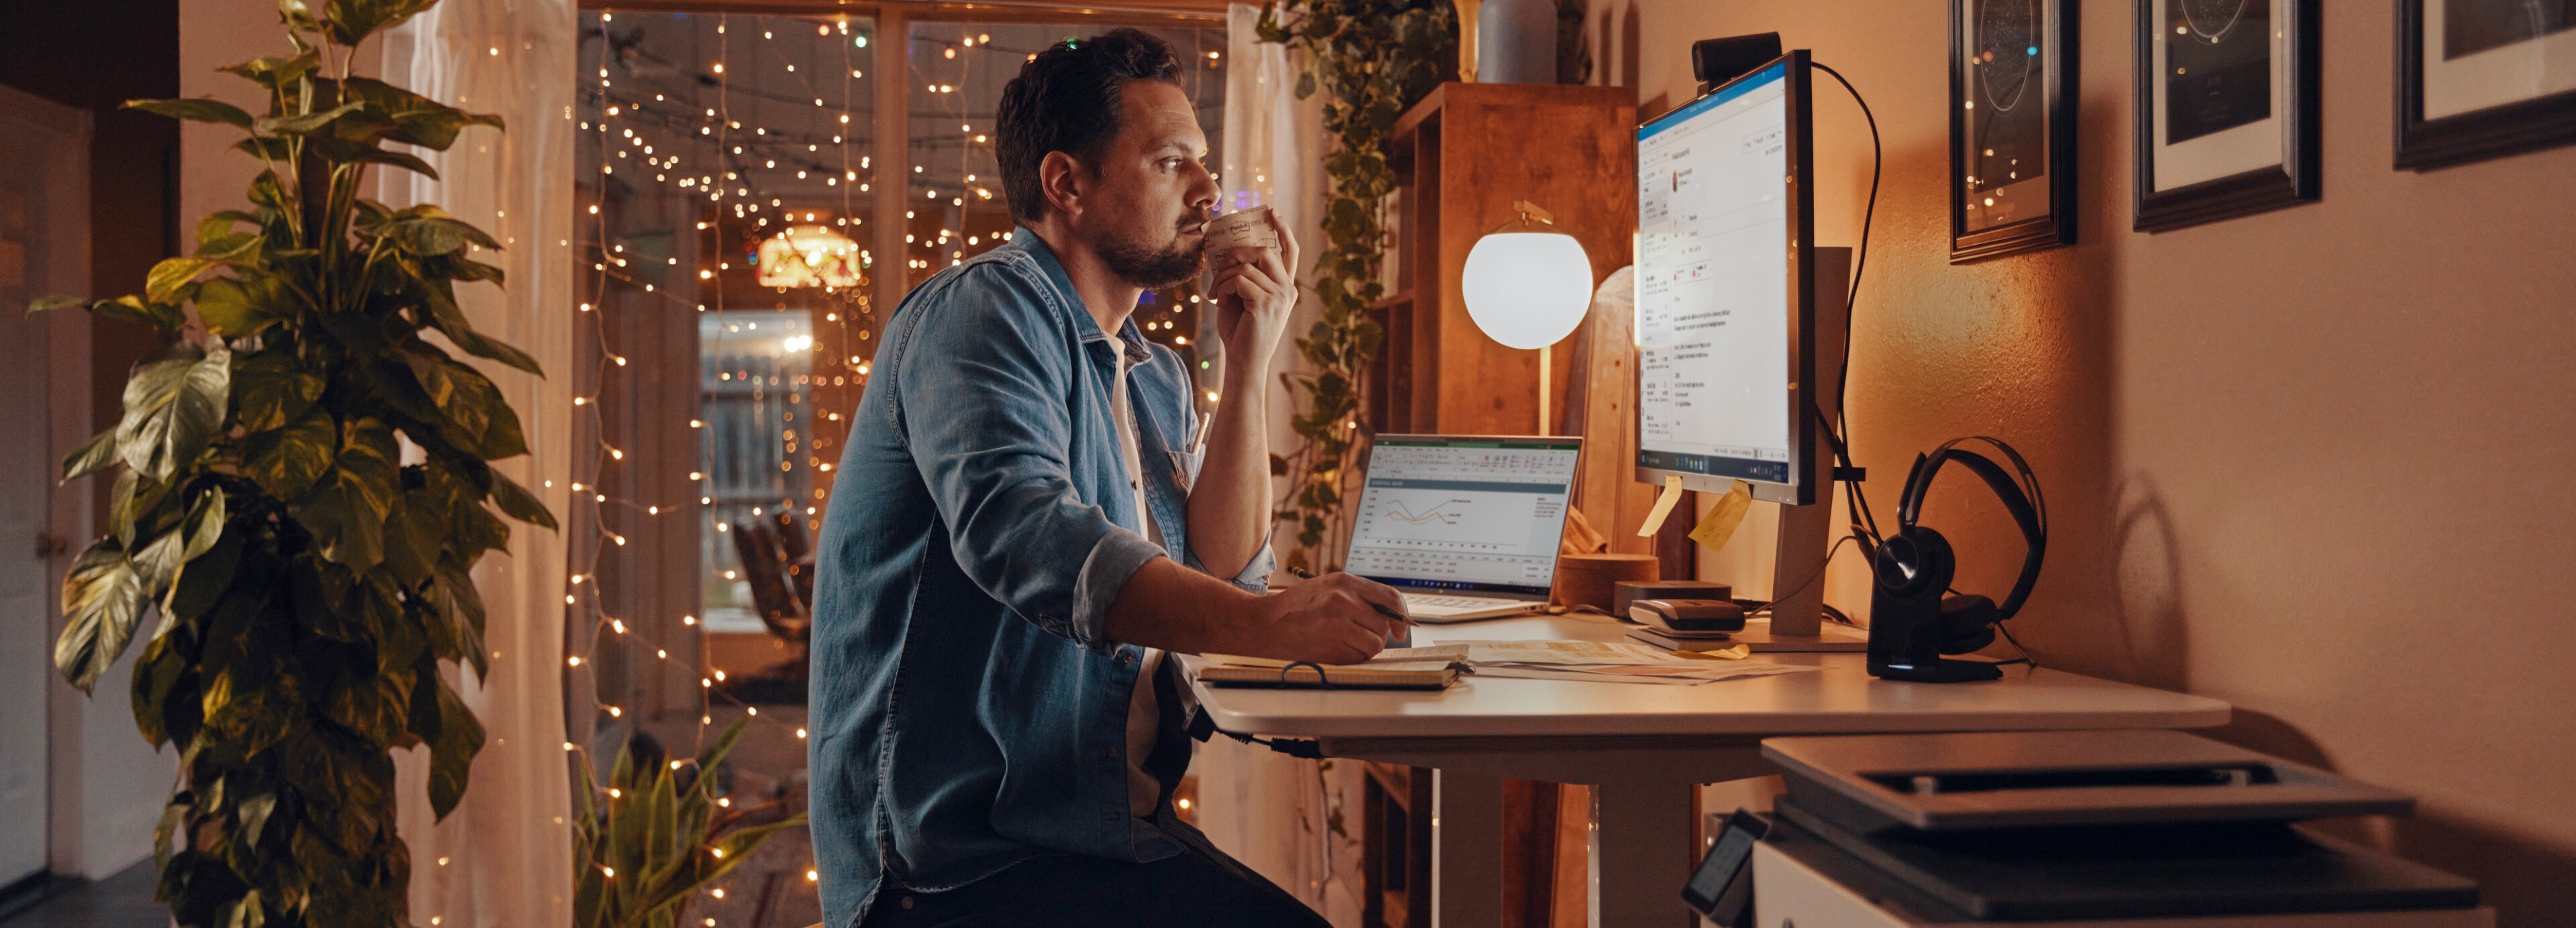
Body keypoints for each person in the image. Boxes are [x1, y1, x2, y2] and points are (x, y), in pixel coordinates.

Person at [806, 28, 1407, 928]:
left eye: (1203, 165)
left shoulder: (1149, 373)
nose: (1209, 191)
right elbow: (1029, 539)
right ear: (1066, 184)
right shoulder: (985, 311)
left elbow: (1222, 572)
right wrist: (1272, 618)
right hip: (968, 861)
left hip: (1097, 830)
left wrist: (1249, 364)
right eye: (1171, 163)